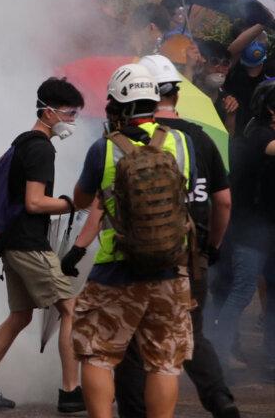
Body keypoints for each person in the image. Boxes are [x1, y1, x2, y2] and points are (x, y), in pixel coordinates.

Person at [105, 55, 238, 418]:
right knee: (189, 334)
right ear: (177, 93)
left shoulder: (122, 140)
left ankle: (134, 412)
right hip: (189, 256)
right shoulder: (198, 138)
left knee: (132, 342)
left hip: (136, 257)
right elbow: (223, 202)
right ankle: (220, 400)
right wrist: (213, 246)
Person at [69, 63, 196, 418]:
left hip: (115, 268)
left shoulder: (103, 149)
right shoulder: (181, 143)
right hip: (170, 268)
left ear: (119, 106)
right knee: (163, 361)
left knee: (98, 354)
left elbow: (81, 200)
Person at [0, 77, 84, 413]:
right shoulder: (40, 148)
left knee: (19, 316)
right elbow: (35, 202)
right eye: (69, 113)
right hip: (28, 244)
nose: (73, 120)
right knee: (70, 309)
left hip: (12, 243)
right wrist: (71, 204)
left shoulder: (22, 143)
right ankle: (70, 391)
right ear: (48, 113)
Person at [212, 80, 275, 373]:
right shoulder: (259, 135)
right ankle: (219, 351)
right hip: (250, 230)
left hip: (266, 227)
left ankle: (271, 357)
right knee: (242, 290)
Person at [219, 24, 268, 136]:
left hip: (257, 136)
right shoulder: (232, 69)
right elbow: (231, 51)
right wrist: (263, 23)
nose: (256, 43)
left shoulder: (270, 71)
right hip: (231, 129)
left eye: (259, 38)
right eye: (251, 39)